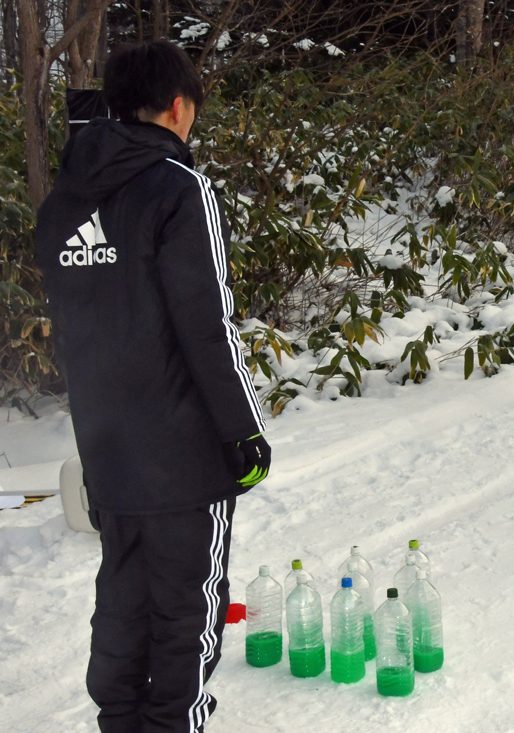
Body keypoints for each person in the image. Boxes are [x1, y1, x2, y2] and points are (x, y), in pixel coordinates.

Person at [35, 41, 270, 732]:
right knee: (185, 608)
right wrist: (243, 430)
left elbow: (84, 331)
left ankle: (121, 720)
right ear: (177, 107)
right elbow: (207, 323)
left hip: (107, 449)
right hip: (184, 455)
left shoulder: (61, 206)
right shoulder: (177, 187)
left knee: (125, 594)